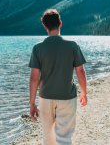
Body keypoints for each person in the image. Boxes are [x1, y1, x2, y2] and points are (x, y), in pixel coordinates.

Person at [28, 9, 87, 145]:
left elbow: (34, 78)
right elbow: (80, 71)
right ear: (60, 24)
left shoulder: (38, 48)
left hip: (45, 97)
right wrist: (84, 92)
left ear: (44, 26)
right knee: (64, 137)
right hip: (67, 97)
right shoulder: (72, 46)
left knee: (48, 137)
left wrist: (32, 104)